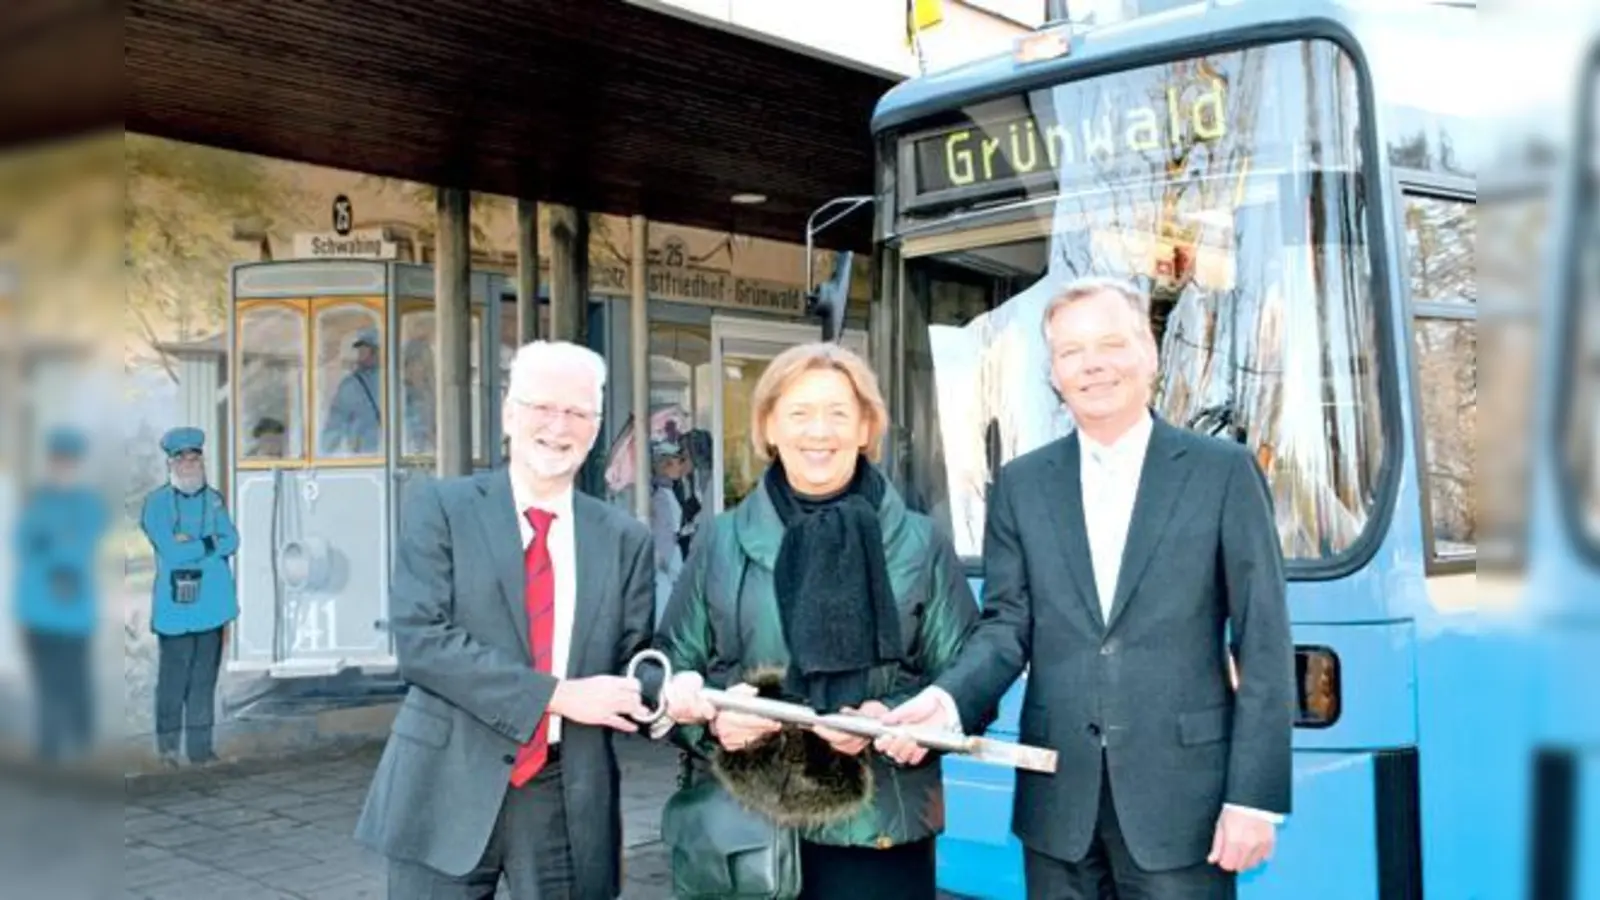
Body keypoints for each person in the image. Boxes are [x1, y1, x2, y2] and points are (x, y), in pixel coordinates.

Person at [881, 276, 1295, 900]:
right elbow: (1006, 626)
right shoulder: (1020, 484)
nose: (1092, 364)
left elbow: (1263, 640)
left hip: (1184, 806)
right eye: (1070, 351)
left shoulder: (1223, 472)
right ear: (1054, 373)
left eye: (1111, 344)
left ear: (1148, 354)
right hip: (1058, 807)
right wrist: (945, 702)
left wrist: (1254, 799)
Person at [655, 341, 979, 900]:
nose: (819, 431)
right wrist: (714, 721)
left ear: (866, 427)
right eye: (799, 413)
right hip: (746, 829)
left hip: (879, 828)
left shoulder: (920, 542)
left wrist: (892, 717)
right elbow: (669, 664)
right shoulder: (722, 539)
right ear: (769, 427)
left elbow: (965, 674)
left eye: (838, 413)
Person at [355, 340, 658, 900]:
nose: (558, 426)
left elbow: (635, 657)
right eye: (543, 406)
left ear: (595, 429)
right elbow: (422, 642)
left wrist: (673, 690)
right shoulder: (442, 509)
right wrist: (557, 696)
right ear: (509, 414)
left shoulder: (625, 539)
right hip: (445, 782)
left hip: (565, 790)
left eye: (577, 412)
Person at [140, 426, 240, 766]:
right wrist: (209, 543)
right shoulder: (156, 504)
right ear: (170, 463)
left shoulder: (214, 499)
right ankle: (168, 751)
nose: (188, 464)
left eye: (194, 458)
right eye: (181, 459)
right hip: (176, 609)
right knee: (173, 682)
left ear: (201, 460)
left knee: (203, 682)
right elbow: (171, 551)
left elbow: (232, 540)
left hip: (212, 606)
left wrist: (195, 544)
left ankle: (201, 751)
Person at [13, 426, 108, 763]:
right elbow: (22, 542)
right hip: (37, 610)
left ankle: (83, 742)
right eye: (57, 461)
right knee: (46, 682)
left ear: (77, 465)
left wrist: (53, 547)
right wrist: (57, 546)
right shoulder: (37, 502)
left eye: (69, 462)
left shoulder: (88, 504)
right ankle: (49, 748)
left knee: (76, 679)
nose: (62, 468)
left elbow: (82, 543)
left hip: (74, 612)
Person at [321, 325, 382, 455]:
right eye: (360, 350)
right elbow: (336, 423)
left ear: (375, 351)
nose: (360, 354)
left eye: (365, 349)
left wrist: (324, 453)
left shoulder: (351, 385)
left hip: (368, 455)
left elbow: (335, 424)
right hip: (366, 455)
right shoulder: (351, 385)